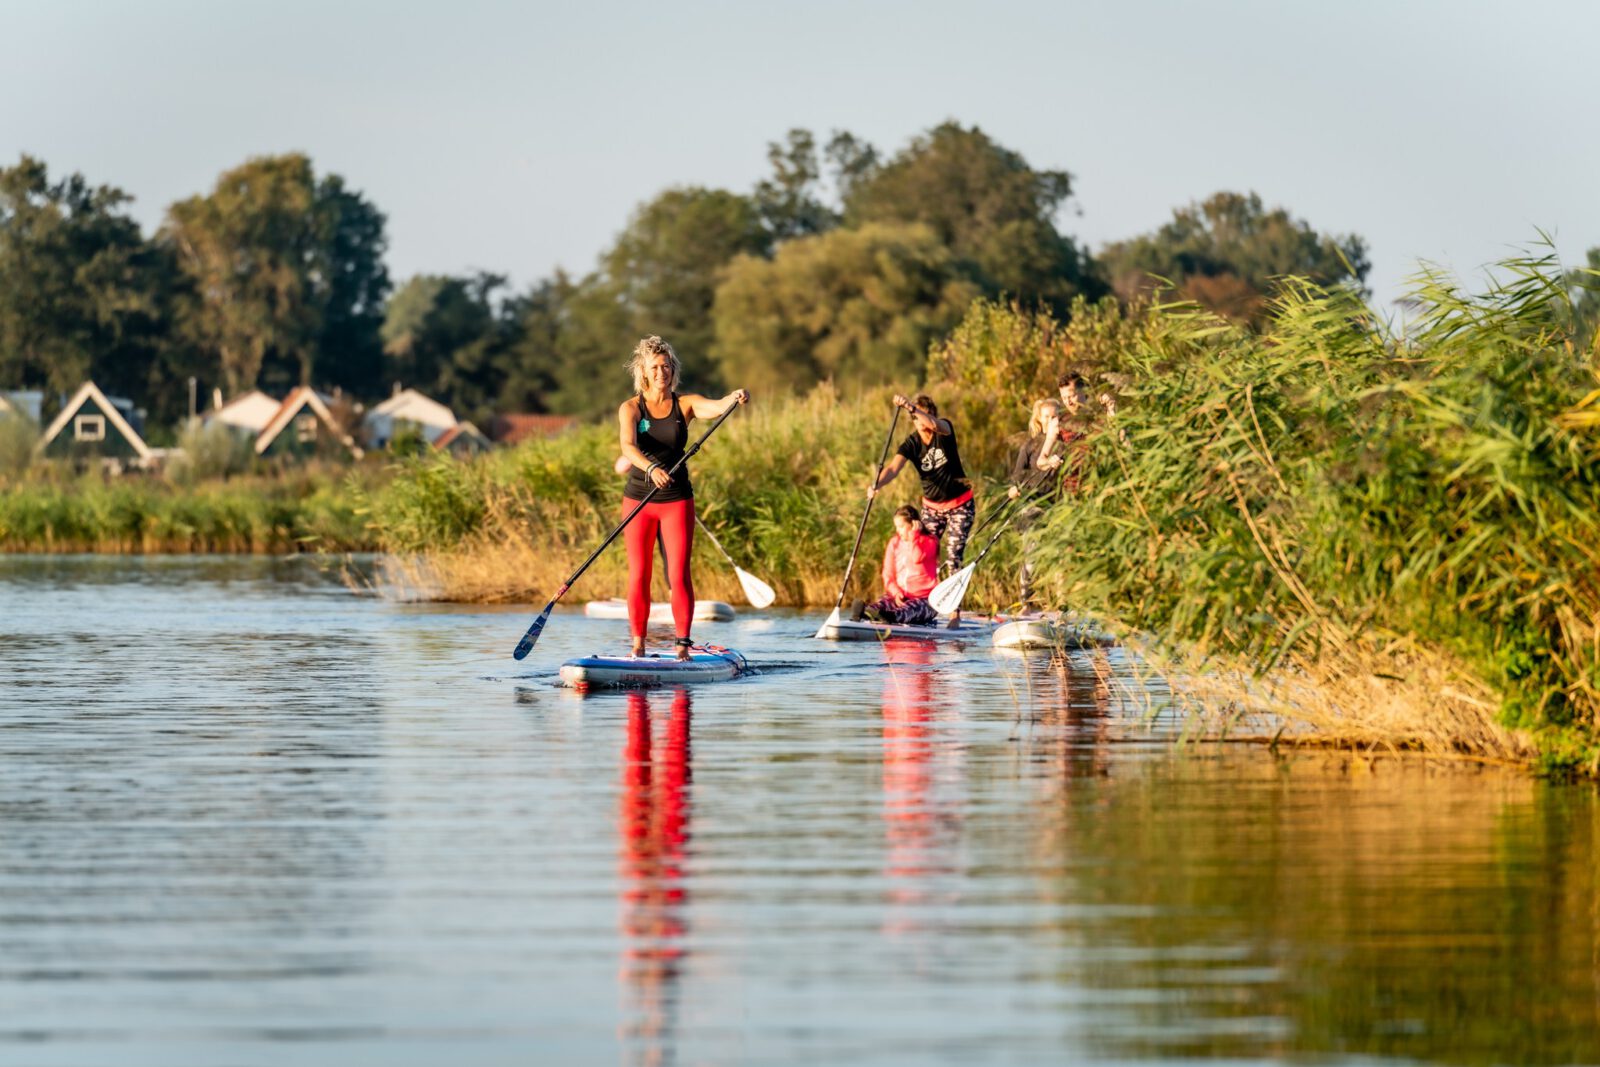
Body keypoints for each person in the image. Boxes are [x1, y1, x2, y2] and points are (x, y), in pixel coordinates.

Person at [618, 336, 749, 660]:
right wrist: (650, 468)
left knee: (678, 573)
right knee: (639, 573)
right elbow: (628, 447)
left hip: (676, 500)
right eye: (655, 367)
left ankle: (682, 646)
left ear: (672, 370)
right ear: (644, 373)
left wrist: (732, 397)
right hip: (639, 501)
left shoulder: (685, 404)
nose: (661, 371)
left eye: (666, 366)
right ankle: (638, 645)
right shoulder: (632, 408)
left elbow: (716, 407)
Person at [868, 394, 976, 587]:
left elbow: (934, 425)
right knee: (922, 554)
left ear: (933, 416)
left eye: (924, 416)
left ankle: (954, 612)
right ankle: (920, 600)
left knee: (953, 557)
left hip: (960, 505)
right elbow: (893, 469)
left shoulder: (944, 429)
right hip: (932, 509)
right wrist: (876, 483)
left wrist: (911, 408)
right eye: (916, 418)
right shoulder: (911, 443)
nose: (920, 421)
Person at [1006, 397, 1067, 611]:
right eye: (1047, 417)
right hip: (1032, 503)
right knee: (1031, 554)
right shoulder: (1030, 444)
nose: (1051, 421)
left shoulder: (1066, 443)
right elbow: (1017, 473)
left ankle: (1062, 605)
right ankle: (1027, 603)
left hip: (1057, 506)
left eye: (1055, 417)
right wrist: (1014, 487)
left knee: (1059, 555)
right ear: (1039, 420)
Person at [862, 505, 940, 625]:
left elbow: (917, 558)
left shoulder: (930, 541)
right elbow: (888, 573)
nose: (898, 530)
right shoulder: (894, 543)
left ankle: (891, 617)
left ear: (914, 524)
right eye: (897, 527)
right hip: (900, 597)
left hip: (925, 600)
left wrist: (914, 537)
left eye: (901, 526)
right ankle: (867, 613)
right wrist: (896, 593)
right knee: (879, 606)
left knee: (905, 611)